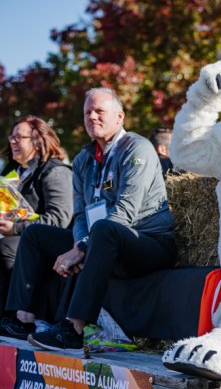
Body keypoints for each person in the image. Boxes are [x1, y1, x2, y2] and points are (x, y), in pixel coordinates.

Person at [0, 87, 177, 351]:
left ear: (119, 117)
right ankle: (23, 319)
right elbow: (81, 213)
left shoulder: (136, 148)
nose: (92, 117)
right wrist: (80, 244)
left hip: (148, 242)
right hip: (101, 241)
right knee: (36, 234)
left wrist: (82, 248)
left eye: (99, 111)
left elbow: (126, 211)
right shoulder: (84, 159)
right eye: (87, 112)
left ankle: (74, 329)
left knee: (106, 229)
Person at [0, 116, 73, 312]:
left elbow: (59, 218)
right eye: (11, 137)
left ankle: (15, 315)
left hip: (47, 241)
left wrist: (15, 228)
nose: (12, 141)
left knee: (6, 247)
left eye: (19, 137)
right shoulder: (11, 173)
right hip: (18, 235)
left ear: (38, 142)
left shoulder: (55, 172)